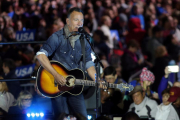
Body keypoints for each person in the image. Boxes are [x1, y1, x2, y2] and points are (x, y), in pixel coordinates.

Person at [35, 7, 104, 119]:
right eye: (76, 20)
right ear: (67, 21)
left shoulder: (84, 40)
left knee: (83, 117)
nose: (79, 23)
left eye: (81, 20)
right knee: (62, 117)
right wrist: (56, 75)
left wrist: (97, 80)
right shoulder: (57, 37)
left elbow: (88, 63)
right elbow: (40, 55)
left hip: (75, 85)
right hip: (57, 85)